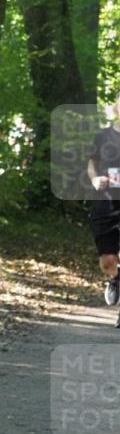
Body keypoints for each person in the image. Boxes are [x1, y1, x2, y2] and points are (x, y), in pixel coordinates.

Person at [87, 90, 120, 326]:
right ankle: (116, 277)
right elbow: (91, 164)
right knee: (108, 260)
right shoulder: (102, 136)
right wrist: (95, 179)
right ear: (116, 108)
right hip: (106, 202)